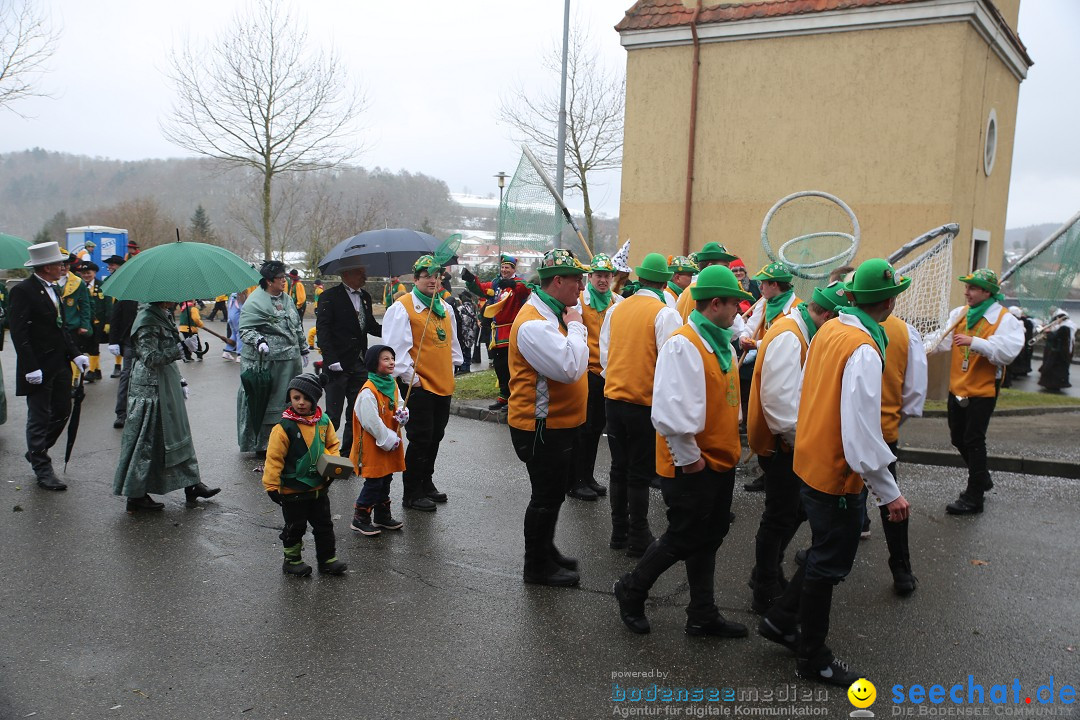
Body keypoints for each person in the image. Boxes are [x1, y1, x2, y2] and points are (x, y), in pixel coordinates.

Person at [758, 258, 912, 686]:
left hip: (811, 462)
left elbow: (810, 392)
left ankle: (781, 621)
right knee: (828, 563)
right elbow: (861, 432)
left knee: (823, 551)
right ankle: (812, 657)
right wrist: (889, 490)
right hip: (837, 476)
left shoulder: (830, 330)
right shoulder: (862, 345)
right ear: (891, 301)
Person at [614, 265, 753, 637]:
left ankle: (702, 613)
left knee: (709, 536)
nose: (739, 312)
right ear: (716, 304)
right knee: (683, 536)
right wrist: (692, 462)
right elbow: (670, 414)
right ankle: (631, 588)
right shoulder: (683, 343)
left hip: (717, 461)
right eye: (735, 305)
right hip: (694, 465)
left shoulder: (717, 340)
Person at [745, 281, 849, 613]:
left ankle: (767, 572)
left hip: (791, 444)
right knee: (778, 516)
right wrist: (803, 444)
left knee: (792, 511)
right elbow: (778, 409)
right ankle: (764, 587)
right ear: (828, 314)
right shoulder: (790, 335)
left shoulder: (802, 329)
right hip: (783, 447)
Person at [507, 248, 590, 586]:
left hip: (557, 425)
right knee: (545, 496)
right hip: (540, 428)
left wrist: (571, 320)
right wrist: (577, 328)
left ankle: (546, 550)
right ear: (558, 281)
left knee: (553, 495)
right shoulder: (534, 324)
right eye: (576, 280)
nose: (582, 287)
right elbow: (571, 368)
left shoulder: (553, 311)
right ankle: (536, 566)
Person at [600, 252, 682, 557]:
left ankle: (618, 532)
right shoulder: (664, 313)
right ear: (664, 281)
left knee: (618, 467)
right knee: (639, 471)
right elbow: (669, 364)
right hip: (643, 402)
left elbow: (606, 357)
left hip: (614, 398)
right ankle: (638, 535)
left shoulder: (616, 309)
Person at [929, 269, 1023, 515]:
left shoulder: (1004, 319)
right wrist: (915, 343)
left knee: (973, 439)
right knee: (957, 438)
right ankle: (981, 477)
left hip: (983, 390)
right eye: (966, 287)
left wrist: (975, 343)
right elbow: (943, 340)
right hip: (958, 386)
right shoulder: (961, 314)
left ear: (987, 292)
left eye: (972, 288)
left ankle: (974, 497)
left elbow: (1008, 353)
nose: (966, 292)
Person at [112, 301, 220, 512]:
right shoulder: (147, 320)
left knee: (178, 434)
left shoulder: (164, 313)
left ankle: (192, 483)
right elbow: (150, 357)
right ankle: (135, 495)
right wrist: (179, 349)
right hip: (150, 388)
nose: (177, 298)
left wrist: (180, 378)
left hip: (166, 381)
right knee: (147, 441)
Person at [383, 255, 462, 512]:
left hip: (442, 382)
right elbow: (396, 350)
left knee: (436, 436)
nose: (432, 280)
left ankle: (426, 481)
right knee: (421, 438)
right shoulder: (402, 308)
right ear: (415, 279)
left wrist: (453, 366)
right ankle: (412, 492)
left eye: (436, 275)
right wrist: (412, 380)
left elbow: (452, 344)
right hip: (419, 386)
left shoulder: (444, 307)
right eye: (426, 275)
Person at [8, 242, 90, 490]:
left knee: (63, 410)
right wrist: (30, 367)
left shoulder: (54, 289)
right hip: (38, 367)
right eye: (59, 263)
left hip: (59, 364)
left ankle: (37, 451)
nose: (64, 267)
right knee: (39, 417)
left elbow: (60, 327)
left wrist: (76, 354)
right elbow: (19, 333)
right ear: (46, 267)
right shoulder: (23, 291)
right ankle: (42, 468)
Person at [865, 307, 927, 595]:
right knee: (890, 498)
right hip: (884, 430)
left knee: (836, 496)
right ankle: (902, 569)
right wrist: (890, 418)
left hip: (838, 433)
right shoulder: (905, 332)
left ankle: (819, 554)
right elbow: (914, 395)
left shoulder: (834, 328)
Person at [263, 372, 347, 577]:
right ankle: (292, 561)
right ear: (290, 399)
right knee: (295, 527)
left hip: (319, 487)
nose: (301, 403)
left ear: (315, 399)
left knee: (324, 525)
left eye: (307, 398)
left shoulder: (323, 421)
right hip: (293, 489)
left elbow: (333, 444)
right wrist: (272, 485)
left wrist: (332, 463)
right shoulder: (283, 428)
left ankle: (327, 559)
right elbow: (274, 459)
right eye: (296, 398)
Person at [739, 261, 802, 491]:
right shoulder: (764, 303)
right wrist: (746, 337)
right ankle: (766, 468)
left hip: (784, 370)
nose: (760, 287)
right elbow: (751, 326)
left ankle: (775, 475)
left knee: (779, 420)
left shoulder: (796, 309)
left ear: (775, 285)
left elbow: (784, 338)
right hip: (762, 368)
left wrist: (756, 343)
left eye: (763, 283)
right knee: (761, 420)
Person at [238, 260, 309, 453]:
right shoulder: (256, 301)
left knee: (289, 401)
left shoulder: (286, 298)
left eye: (284, 277)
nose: (284, 281)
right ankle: (263, 444)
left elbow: (295, 325)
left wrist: (303, 347)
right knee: (269, 402)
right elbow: (245, 329)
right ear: (269, 281)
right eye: (280, 278)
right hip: (268, 363)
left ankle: (286, 441)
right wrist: (258, 340)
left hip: (290, 361)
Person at [568, 253, 622, 502]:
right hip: (587, 372)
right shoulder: (579, 301)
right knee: (584, 429)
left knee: (596, 428)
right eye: (598, 275)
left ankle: (588, 477)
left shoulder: (617, 301)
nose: (603, 280)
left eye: (607, 276)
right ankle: (576, 481)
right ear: (590, 277)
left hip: (607, 374)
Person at [316, 261, 382, 458]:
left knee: (356, 413)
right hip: (337, 364)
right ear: (346, 275)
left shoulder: (365, 298)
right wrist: (331, 359)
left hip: (359, 363)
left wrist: (395, 330)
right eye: (360, 273)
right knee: (333, 415)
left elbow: (369, 325)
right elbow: (323, 330)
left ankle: (348, 456)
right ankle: (321, 454)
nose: (365, 277)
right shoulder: (329, 297)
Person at [348, 345, 408, 536]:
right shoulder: (368, 392)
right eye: (385, 359)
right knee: (374, 480)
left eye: (392, 358)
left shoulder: (392, 384)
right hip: (374, 444)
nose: (391, 362)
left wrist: (403, 414)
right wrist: (387, 438)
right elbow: (370, 422)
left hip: (390, 442)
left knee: (387, 477)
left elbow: (399, 404)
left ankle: (382, 515)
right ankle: (360, 516)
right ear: (374, 363)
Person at [462, 255, 530, 410]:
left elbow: (525, 289)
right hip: (498, 334)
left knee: (511, 365)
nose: (504, 270)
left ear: (514, 269)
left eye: (507, 267)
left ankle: (514, 397)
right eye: (503, 267)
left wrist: (512, 284)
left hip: (513, 331)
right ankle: (504, 396)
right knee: (499, 366)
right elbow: (481, 288)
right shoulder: (495, 283)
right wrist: (471, 279)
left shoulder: (519, 283)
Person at [674, 242, 739, 322]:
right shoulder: (711, 293)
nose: (729, 271)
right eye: (725, 267)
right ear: (710, 266)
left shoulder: (684, 292)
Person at [59, 254, 93, 377]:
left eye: (66, 265)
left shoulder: (77, 282)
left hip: (72, 326)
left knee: (75, 354)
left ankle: (74, 382)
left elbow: (85, 305)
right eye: (61, 265)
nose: (63, 268)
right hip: (54, 327)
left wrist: (84, 325)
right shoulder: (50, 281)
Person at [75, 261, 106, 381]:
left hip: (98, 321)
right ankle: (97, 370)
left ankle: (92, 371)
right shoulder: (79, 285)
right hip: (85, 321)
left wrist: (107, 322)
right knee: (86, 346)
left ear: (94, 273)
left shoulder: (101, 285)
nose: (86, 275)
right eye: (83, 273)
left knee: (94, 345)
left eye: (88, 273)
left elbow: (107, 304)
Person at [1038, 309, 1076, 392]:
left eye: (1057, 318)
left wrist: (1048, 332)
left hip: (1059, 353)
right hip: (1059, 352)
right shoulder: (1066, 326)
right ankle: (1053, 385)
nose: (1056, 321)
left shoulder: (1064, 327)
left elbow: (1055, 337)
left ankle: (1053, 385)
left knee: (1055, 370)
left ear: (1060, 318)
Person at [101, 255, 127, 379]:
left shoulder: (126, 281)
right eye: (109, 265)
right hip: (110, 315)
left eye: (112, 265)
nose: (109, 267)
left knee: (122, 341)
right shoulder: (107, 281)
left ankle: (118, 366)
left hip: (123, 316)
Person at [1002, 306, 1035, 387]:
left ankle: (1006, 381)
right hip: (1013, 345)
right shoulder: (1020, 321)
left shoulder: (1016, 321)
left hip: (1010, 345)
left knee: (1008, 365)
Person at [456, 290, 478, 374]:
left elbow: (463, 321)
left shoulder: (462, 308)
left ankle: (464, 367)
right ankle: (467, 366)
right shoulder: (473, 306)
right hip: (472, 330)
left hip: (464, 332)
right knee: (468, 348)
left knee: (463, 349)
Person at [224, 289, 247, 363]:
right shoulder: (240, 295)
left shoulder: (232, 295)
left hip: (230, 317)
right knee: (240, 334)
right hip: (237, 317)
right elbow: (242, 308)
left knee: (234, 333)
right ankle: (240, 355)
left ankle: (227, 351)